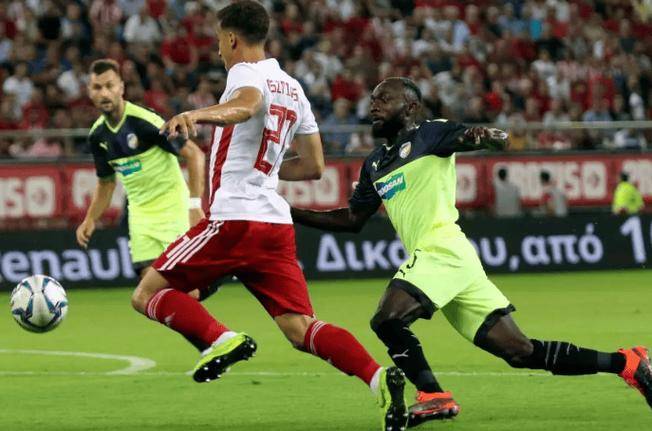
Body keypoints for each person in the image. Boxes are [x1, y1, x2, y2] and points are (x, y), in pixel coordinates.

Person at [290, 77, 652, 427]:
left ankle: (433, 394)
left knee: (387, 320)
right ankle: (626, 362)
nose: (374, 106)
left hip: (442, 249)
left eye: (385, 98)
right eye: (373, 100)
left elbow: (467, 136)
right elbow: (352, 219)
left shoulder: (429, 134)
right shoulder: (374, 163)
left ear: (411, 107)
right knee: (520, 352)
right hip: (450, 260)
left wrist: (487, 136)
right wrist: (288, 212)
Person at [134, 3, 408, 431]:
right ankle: (377, 378)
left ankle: (221, 339)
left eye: (219, 41)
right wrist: (266, 170)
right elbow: (314, 165)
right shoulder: (294, 88)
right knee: (300, 328)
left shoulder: (244, 72)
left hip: (233, 218)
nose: (219, 50)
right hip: (274, 224)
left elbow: (247, 104)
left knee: (147, 292)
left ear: (231, 38)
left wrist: (196, 113)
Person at [76, 58, 215, 304]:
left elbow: (195, 155)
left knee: (184, 291)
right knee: (149, 293)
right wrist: (90, 219)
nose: (104, 93)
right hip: (140, 216)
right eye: (97, 87)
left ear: (121, 87)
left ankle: (216, 278)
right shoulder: (98, 135)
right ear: (89, 91)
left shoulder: (143, 121)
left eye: (109, 85)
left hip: (173, 209)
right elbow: (106, 183)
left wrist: (194, 205)